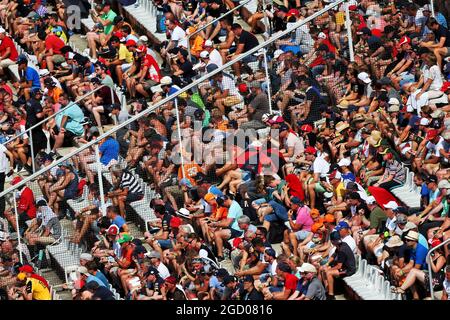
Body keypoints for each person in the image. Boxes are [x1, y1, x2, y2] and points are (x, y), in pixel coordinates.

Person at [322, 231, 356, 300]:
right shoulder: (341, 244)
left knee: (328, 273)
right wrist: (327, 264)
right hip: (343, 267)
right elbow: (334, 255)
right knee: (322, 269)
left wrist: (328, 269)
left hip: (348, 269)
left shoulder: (342, 250)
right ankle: (327, 289)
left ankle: (331, 295)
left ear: (332, 241)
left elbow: (339, 266)